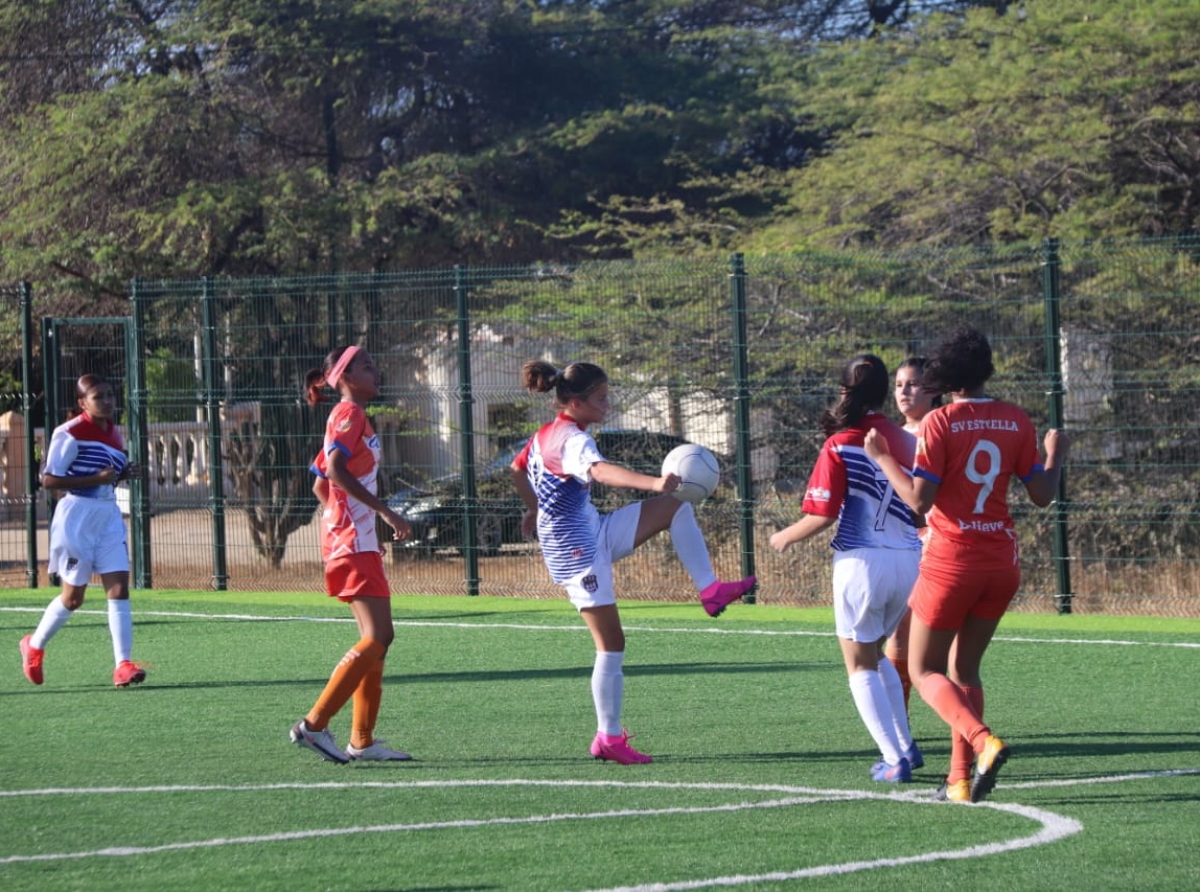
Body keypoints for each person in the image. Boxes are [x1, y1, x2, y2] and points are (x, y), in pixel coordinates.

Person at [511, 360, 756, 765]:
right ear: (575, 402)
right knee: (611, 645)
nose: (608, 404)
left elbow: (517, 469)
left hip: (596, 531)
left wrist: (533, 508)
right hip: (578, 553)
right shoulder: (572, 440)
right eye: (601, 398)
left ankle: (711, 590)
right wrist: (653, 481)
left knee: (676, 506)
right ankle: (608, 737)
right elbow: (601, 472)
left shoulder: (545, 435)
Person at [864, 326, 1068, 803]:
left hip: (952, 561)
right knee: (965, 671)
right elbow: (1041, 496)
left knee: (923, 669)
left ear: (945, 376)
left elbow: (918, 501)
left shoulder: (939, 423)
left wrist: (881, 458)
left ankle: (983, 742)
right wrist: (1056, 454)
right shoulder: (1016, 419)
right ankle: (958, 780)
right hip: (1002, 562)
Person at [768, 355, 923, 783]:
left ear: (843, 392)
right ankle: (907, 744)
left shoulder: (840, 443)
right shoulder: (909, 440)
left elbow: (822, 514)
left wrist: (783, 536)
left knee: (859, 666)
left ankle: (894, 759)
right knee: (875, 654)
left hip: (862, 562)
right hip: (909, 561)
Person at [289, 345, 415, 764]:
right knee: (379, 637)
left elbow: (319, 484)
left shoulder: (350, 415)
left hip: (352, 537)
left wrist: (351, 520)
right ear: (343, 377)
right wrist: (382, 513)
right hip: (351, 540)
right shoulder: (349, 413)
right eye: (365, 365)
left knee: (378, 639)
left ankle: (362, 741)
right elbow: (335, 471)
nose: (375, 369)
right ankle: (314, 725)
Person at [19, 373, 147, 688]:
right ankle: (34, 646)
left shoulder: (114, 433)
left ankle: (123, 664)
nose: (106, 401)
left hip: (107, 517)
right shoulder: (69, 433)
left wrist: (123, 474)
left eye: (109, 395)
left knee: (119, 589)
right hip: (76, 518)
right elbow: (49, 481)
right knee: (73, 598)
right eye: (98, 396)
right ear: (82, 403)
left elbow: (106, 475)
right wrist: (96, 479)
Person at [884, 356, 943, 717]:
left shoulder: (940, 429)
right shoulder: (892, 437)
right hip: (899, 544)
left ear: (933, 390)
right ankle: (898, 727)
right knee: (899, 637)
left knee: (940, 645)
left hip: (935, 542)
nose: (904, 392)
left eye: (913, 384)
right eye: (898, 385)